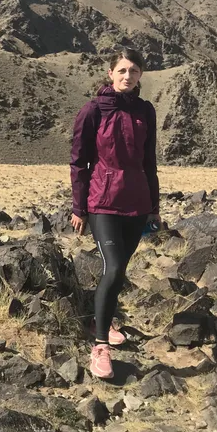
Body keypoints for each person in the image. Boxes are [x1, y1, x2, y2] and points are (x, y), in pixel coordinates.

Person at [69, 47, 160, 379]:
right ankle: (100, 345)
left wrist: (154, 207)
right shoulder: (93, 110)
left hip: (137, 202)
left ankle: (100, 318)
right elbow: (79, 162)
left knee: (119, 272)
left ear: (140, 76)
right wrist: (79, 207)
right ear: (110, 73)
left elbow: (149, 161)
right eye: (121, 70)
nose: (127, 76)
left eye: (133, 71)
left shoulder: (145, 111)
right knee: (115, 265)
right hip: (102, 202)